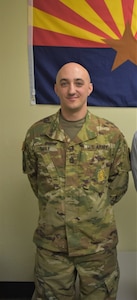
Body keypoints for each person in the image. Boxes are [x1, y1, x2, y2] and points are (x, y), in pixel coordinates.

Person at [22, 62, 130, 300]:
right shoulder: (36, 135)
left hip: (98, 246)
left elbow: (118, 184)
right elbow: (37, 182)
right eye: (65, 83)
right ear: (56, 89)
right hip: (53, 248)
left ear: (90, 88)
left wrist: (91, 208)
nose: (72, 90)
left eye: (78, 83)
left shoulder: (111, 135)